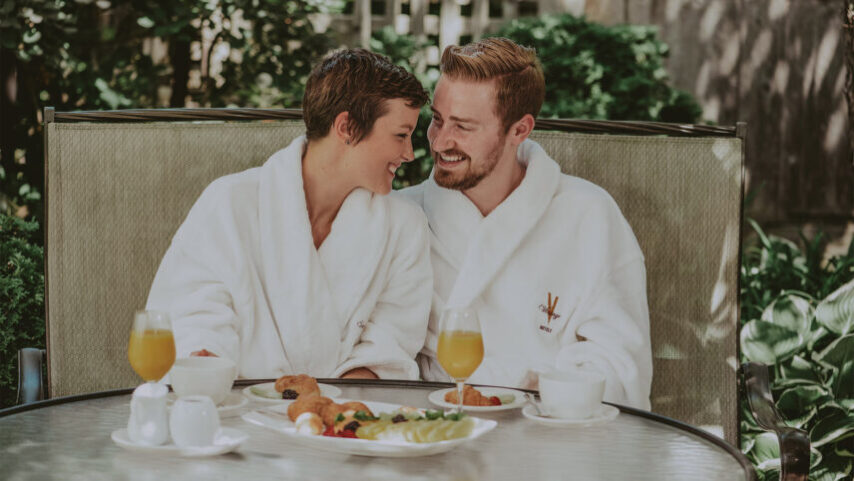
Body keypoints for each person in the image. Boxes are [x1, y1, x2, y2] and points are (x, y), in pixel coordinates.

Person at [146, 49, 432, 380]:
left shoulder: (403, 226)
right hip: (236, 411)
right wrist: (205, 365)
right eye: (400, 135)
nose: (409, 153)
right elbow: (193, 316)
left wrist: (328, 414)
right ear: (347, 127)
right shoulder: (229, 203)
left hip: (345, 418)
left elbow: (391, 343)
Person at [399, 38, 652, 408]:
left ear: (519, 130)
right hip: (435, 433)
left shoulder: (588, 215)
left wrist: (544, 388)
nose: (439, 143)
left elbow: (621, 362)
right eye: (437, 120)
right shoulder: (404, 216)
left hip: (551, 433)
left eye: (463, 127)